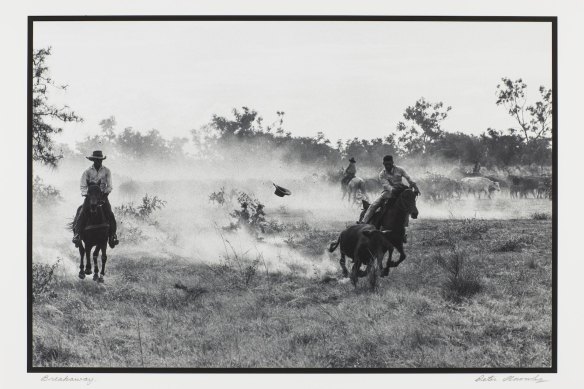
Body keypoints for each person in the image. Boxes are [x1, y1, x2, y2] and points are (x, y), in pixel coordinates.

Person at [360, 155, 419, 242]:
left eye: (389, 164)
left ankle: (403, 231)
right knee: (373, 205)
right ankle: (363, 223)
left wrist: (415, 186)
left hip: (401, 191)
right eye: (386, 164)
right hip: (388, 193)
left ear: (392, 163)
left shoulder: (400, 169)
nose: (387, 166)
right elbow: (386, 185)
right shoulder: (382, 174)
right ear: (383, 163)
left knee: (408, 204)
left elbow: (408, 177)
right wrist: (393, 190)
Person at [72, 150, 119, 248]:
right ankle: (77, 235)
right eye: (96, 160)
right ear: (93, 160)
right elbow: (83, 186)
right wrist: (87, 195)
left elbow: (109, 186)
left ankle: (112, 237)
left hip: (103, 197)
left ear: (102, 160)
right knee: (81, 214)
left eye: (100, 160)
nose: (98, 162)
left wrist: (104, 195)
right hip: (90, 197)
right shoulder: (87, 171)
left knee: (110, 214)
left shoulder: (107, 171)